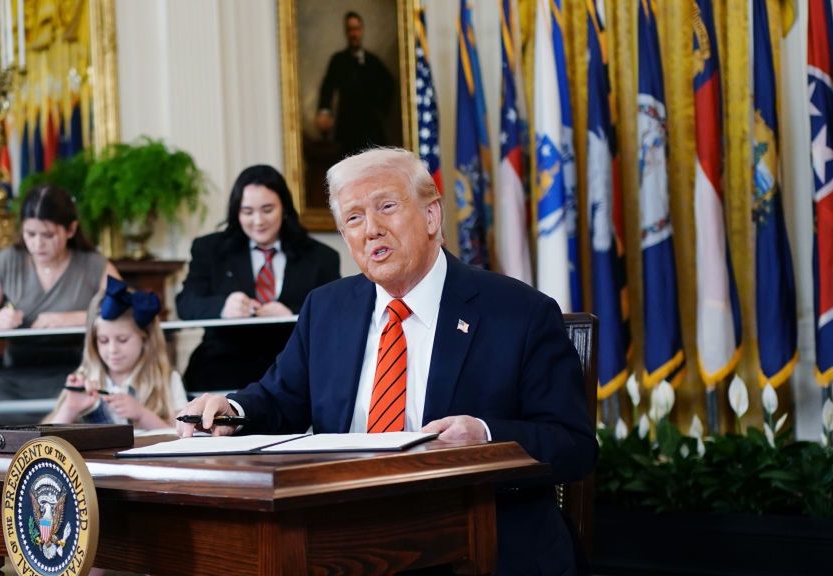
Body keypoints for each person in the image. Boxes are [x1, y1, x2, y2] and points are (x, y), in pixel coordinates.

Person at [178, 148, 596, 575]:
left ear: (432, 216)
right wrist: (232, 411)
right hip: (344, 543)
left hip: (476, 541)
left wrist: (486, 438)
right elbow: (279, 399)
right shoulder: (327, 308)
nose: (371, 229)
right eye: (353, 218)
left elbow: (573, 445)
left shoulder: (518, 313)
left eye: (387, 207)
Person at [0, 184, 120, 423]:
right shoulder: (8, 261)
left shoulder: (93, 265)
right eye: (30, 234)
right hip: (16, 376)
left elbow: (127, 311)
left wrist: (76, 318)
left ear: (71, 229)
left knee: (79, 409)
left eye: (48, 235)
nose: (37, 244)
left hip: (76, 372)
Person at [176, 165, 339, 392]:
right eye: (247, 212)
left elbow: (335, 312)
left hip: (294, 370)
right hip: (221, 370)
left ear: (284, 207)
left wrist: (293, 314)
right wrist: (223, 307)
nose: (258, 221)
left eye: (267, 209)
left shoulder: (321, 257)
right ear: (236, 212)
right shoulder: (210, 249)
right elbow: (185, 304)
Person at [46, 277, 187, 429]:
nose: (112, 349)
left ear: (145, 339)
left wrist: (142, 415)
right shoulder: (84, 379)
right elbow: (45, 438)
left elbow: (181, 434)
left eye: (122, 340)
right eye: (103, 340)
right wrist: (70, 408)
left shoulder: (167, 380)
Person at [315, 11, 394, 157]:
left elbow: (389, 85)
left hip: (371, 130)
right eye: (350, 30)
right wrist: (325, 111)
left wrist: (380, 111)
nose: (354, 34)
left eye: (356, 29)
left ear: (362, 31)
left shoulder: (373, 61)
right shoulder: (338, 60)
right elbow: (328, 87)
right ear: (346, 32)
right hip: (347, 130)